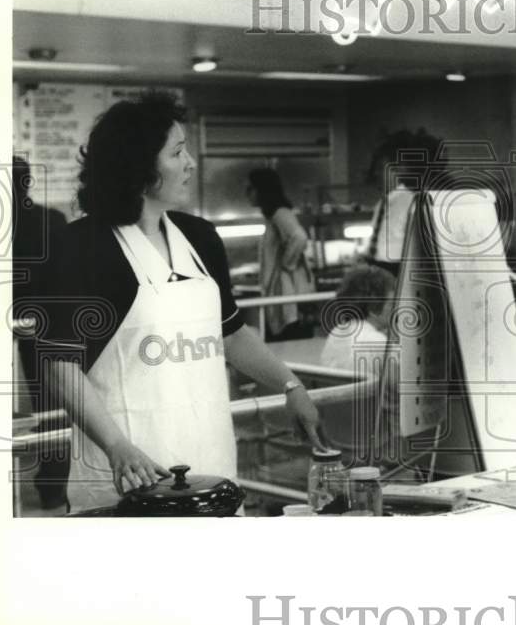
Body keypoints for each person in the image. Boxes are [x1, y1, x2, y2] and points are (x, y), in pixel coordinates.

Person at [40, 92, 326, 513]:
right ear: (138, 166)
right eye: (177, 152)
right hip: (127, 475)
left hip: (212, 467)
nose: (191, 163)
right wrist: (118, 445)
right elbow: (60, 365)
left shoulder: (200, 237)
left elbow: (230, 334)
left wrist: (291, 385)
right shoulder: (82, 246)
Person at [12, 156, 70, 512]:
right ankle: (53, 488)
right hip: (47, 321)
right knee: (52, 404)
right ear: (28, 182)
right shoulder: (54, 220)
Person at [320, 265, 399, 464]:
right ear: (373, 308)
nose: (396, 307)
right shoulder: (379, 343)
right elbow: (406, 394)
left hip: (337, 437)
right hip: (378, 440)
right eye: (391, 301)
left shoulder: (335, 333)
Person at [246, 167, 315, 341]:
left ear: (262, 190)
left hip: (288, 293)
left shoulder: (280, 214)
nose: (248, 193)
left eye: (250, 188)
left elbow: (299, 237)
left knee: (289, 342)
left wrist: (287, 264)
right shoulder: (274, 216)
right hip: (284, 293)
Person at [364, 128, 443, 277]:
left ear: (399, 170)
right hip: (376, 271)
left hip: (399, 273)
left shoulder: (412, 203)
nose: (376, 174)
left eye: (381, 168)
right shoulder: (381, 205)